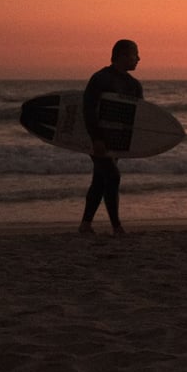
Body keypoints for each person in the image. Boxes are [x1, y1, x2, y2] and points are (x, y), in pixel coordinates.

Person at [79, 39, 142, 235]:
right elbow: (88, 110)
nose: (138, 58)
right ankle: (117, 226)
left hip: (117, 142)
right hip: (97, 139)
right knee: (113, 176)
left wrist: (132, 144)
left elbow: (140, 117)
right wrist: (96, 139)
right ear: (122, 55)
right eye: (134, 54)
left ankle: (85, 225)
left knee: (100, 179)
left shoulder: (134, 85)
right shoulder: (100, 78)